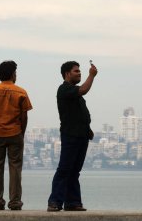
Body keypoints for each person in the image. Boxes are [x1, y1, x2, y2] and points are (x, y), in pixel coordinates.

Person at [47, 61, 98, 212]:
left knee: (75, 171)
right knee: (64, 169)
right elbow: (83, 90)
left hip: (81, 136)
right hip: (70, 136)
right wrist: (92, 75)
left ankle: (72, 202)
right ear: (67, 74)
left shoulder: (74, 92)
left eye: (80, 71)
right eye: (76, 71)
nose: (79, 73)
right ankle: (54, 202)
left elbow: (78, 113)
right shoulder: (64, 89)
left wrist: (88, 129)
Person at [0, 60, 33, 210]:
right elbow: (24, 117)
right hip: (16, 133)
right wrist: (21, 133)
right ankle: (15, 202)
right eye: (15, 72)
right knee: (15, 168)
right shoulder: (21, 92)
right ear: (12, 74)